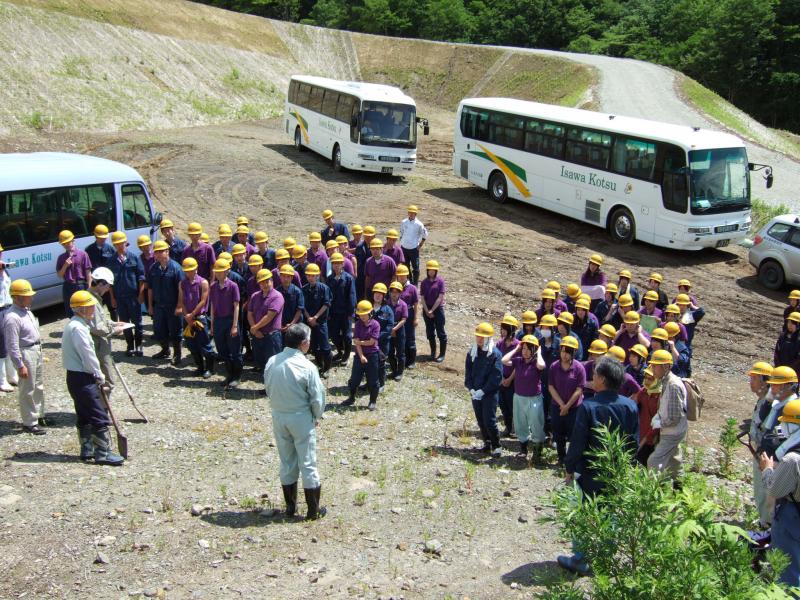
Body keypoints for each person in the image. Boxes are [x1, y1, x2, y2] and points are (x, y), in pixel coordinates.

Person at [559, 356, 639, 575]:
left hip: (590, 472)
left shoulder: (589, 407)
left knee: (582, 513)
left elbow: (578, 442)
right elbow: (632, 442)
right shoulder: (630, 406)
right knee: (610, 513)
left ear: (602, 379)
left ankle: (580, 559)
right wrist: (626, 469)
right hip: (616, 472)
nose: (592, 378)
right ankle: (605, 556)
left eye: (594, 374)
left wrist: (569, 467)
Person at [264, 323, 326, 520]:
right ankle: (313, 510)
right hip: (300, 417)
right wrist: (316, 416)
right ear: (304, 343)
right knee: (307, 462)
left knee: (287, 461)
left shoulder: (272, 361)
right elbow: (317, 397)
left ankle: (290, 507)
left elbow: (268, 387)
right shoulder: (307, 366)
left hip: (279, 415)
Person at [62, 290, 124, 465]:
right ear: (81, 309)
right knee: (98, 415)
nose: (92, 310)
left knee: (83, 414)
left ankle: (87, 448)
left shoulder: (75, 325)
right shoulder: (78, 329)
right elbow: (88, 355)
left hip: (75, 377)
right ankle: (103, 453)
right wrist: (99, 375)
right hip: (83, 377)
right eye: (89, 307)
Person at [759, 398, 800, 589]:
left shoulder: (792, 459)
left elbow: (775, 489)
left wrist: (767, 469)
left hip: (791, 516)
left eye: (785, 422)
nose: (781, 426)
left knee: (788, 568)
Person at [5, 279, 46, 435]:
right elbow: (12, 345)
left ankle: (39, 414)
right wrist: (20, 364)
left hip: (35, 350)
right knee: (27, 388)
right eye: (28, 295)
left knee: (38, 385)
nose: (31, 298)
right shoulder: (12, 317)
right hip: (26, 353)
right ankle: (29, 422)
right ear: (17, 297)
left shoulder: (26, 310)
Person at [502, 334, 546, 461]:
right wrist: (516, 349)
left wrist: (539, 353)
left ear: (534, 350)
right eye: (524, 349)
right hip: (519, 397)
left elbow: (542, 366)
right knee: (520, 423)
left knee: (536, 424)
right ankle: (523, 449)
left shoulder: (536, 363)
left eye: (528, 349)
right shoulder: (518, 361)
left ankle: (537, 453)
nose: (525, 352)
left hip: (534, 398)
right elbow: (504, 360)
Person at [647, 349, 688, 479]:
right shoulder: (666, 381)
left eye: (655, 366)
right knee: (673, 462)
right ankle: (679, 489)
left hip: (672, 432)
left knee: (653, 461)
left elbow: (675, 417)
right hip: (673, 430)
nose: (652, 369)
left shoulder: (673, 385)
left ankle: (652, 493)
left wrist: (660, 423)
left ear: (666, 366)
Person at [464, 322, 504, 456]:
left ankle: (496, 446)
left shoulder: (495, 354)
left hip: (489, 394)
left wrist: (484, 390)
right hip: (476, 394)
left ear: (488, 338)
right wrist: (471, 388)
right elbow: (468, 373)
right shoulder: (472, 352)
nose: (479, 339)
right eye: (478, 336)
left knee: (489, 420)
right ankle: (487, 443)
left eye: (482, 337)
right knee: (480, 419)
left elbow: (496, 377)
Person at [87, 268, 126, 399]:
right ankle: (103, 411)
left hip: (100, 344)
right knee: (106, 380)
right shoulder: (91, 301)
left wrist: (114, 324)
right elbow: (97, 327)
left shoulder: (94, 298)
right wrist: (115, 330)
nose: (108, 289)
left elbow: (101, 319)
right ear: (100, 284)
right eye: (107, 286)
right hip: (98, 345)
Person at [548, 335, 586, 464]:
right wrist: (561, 404)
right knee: (558, 433)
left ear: (573, 353)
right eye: (562, 351)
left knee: (573, 434)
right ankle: (561, 457)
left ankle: (572, 460)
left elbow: (579, 389)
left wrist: (567, 406)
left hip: (574, 408)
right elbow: (551, 386)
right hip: (557, 406)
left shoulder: (579, 368)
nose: (564, 355)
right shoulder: (554, 366)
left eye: (567, 352)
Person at [108, 231, 145, 357]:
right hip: (120, 297)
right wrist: (112, 298)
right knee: (124, 323)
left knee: (137, 322)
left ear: (126, 242)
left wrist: (141, 294)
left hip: (133, 297)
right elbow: (110, 282)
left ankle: (139, 345)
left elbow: (141, 278)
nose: (120, 246)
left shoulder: (134, 258)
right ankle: (130, 345)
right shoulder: (111, 261)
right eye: (117, 244)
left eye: (121, 243)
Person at [177, 257, 215, 379]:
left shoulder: (203, 282)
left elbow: (203, 301)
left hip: (200, 318)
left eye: (190, 270)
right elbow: (181, 300)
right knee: (191, 344)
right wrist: (186, 315)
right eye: (186, 270)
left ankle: (209, 368)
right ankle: (200, 367)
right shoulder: (182, 283)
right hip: (187, 318)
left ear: (196, 269)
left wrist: (191, 315)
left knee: (205, 345)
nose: (188, 272)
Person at [747, 361, 775, 528]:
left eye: (754, 378)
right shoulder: (763, 400)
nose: (750, 382)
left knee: (764, 490)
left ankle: (766, 525)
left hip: (765, 454)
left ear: (765, 381)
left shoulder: (770, 404)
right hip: (759, 450)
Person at [147, 240, 184, 364]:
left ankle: (177, 354)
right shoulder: (153, 268)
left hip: (172, 306)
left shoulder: (176, 268)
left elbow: (181, 289)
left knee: (175, 331)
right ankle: (165, 350)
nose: (157, 254)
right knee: (159, 330)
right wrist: (150, 305)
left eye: (160, 251)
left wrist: (179, 306)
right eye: (156, 252)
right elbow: (150, 288)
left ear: (167, 252)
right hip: (159, 306)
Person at [209, 258, 242, 389]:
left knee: (235, 350)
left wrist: (234, 325)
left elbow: (237, 306)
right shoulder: (213, 286)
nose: (218, 274)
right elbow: (212, 306)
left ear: (227, 271)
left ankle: (237, 376)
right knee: (222, 350)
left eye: (220, 271)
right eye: (216, 272)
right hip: (218, 321)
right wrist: (212, 324)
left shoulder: (233, 286)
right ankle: (229, 374)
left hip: (229, 320)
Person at [343, 300, 380, 410]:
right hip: (360, 355)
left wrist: (360, 343)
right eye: (360, 315)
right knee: (354, 379)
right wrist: (361, 356)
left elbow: (372, 342)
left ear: (370, 313)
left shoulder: (375, 325)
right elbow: (356, 342)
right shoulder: (358, 324)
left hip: (373, 355)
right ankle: (351, 397)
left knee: (373, 380)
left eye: (364, 314)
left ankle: (372, 401)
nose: (362, 317)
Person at [248, 269, 284, 375]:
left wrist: (254, 328)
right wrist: (254, 329)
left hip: (271, 336)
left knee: (273, 363)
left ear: (272, 281)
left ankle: (273, 388)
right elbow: (249, 313)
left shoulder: (277, 296)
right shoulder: (255, 296)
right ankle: (266, 382)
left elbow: (269, 316)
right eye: (262, 282)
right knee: (261, 361)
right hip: (257, 335)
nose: (265, 284)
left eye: (267, 281)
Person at [302, 264, 332, 378]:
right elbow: (302, 305)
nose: (310, 278)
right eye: (308, 275)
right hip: (309, 322)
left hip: (321, 322)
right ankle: (320, 366)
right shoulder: (304, 289)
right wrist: (309, 317)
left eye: (313, 275)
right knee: (314, 346)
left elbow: (326, 304)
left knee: (325, 347)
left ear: (318, 275)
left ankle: (327, 368)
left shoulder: (324, 288)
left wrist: (315, 317)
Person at [327, 252, 356, 365]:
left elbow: (352, 296)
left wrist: (351, 312)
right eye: (334, 263)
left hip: (345, 313)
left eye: (339, 263)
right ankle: (340, 351)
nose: (336, 265)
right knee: (334, 335)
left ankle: (346, 356)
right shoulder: (329, 279)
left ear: (343, 264)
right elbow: (328, 297)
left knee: (347, 336)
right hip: (334, 312)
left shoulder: (348, 278)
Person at [56, 229, 93, 317]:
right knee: (71, 312)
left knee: (84, 310)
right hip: (68, 286)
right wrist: (65, 265)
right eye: (64, 243)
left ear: (73, 241)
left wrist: (90, 287)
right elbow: (59, 275)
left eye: (68, 242)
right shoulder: (61, 258)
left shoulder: (83, 254)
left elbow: (88, 272)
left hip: (80, 286)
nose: (66, 245)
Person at [497, 314, 520, 437]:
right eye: (502, 328)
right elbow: (496, 363)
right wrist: (501, 378)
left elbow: (518, 365)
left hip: (513, 381)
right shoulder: (499, 344)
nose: (502, 331)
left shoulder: (518, 345)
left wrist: (510, 379)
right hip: (501, 379)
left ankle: (515, 428)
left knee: (513, 406)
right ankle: (507, 426)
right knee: (503, 405)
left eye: (505, 328)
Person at [421, 259, 447, 363]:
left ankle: (442, 354)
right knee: (430, 332)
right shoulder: (424, 282)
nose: (431, 272)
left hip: (437, 309)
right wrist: (427, 310)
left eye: (433, 270)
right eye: (429, 270)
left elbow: (440, 297)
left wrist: (432, 310)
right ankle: (433, 353)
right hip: (427, 309)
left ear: (436, 271)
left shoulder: (440, 281)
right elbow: (422, 297)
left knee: (440, 332)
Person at [634, 366, 661, 466]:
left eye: (650, 379)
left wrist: (647, 437)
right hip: (641, 432)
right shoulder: (643, 391)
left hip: (653, 436)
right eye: (646, 377)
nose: (647, 381)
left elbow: (659, 420)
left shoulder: (661, 396)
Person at [371, 283, 395, 391]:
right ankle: (370, 382)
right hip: (369, 343)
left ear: (384, 296)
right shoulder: (368, 308)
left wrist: (377, 337)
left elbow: (389, 327)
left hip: (382, 343)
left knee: (380, 364)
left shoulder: (387, 310)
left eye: (380, 294)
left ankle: (381, 384)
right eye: (376, 293)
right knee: (370, 364)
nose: (378, 296)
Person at [0, 247, 17, 393]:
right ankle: (2, 379)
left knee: (11, 341)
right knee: (1, 346)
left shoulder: (5, 269)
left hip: (8, 307)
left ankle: (12, 375)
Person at [396, 264, 419, 369]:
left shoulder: (412, 288)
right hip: (399, 316)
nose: (401, 277)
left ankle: (412, 361)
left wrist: (416, 318)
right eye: (399, 276)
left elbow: (416, 304)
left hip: (409, 315)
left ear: (407, 276)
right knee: (401, 338)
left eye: (403, 275)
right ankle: (403, 360)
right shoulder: (395, 287)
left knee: (410, 338)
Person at [399, 204, 427, 285]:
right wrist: (402, 241)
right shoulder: (403, 222)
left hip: (414, 249)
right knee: (406, 267)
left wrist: (420, 245)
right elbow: (401, 232)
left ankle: (415, 284)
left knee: (416, 268)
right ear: (408, 213)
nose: (411, 214)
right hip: (404, 248)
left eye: (413, 213)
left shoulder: (419, 224)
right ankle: (409, 281)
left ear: (416, 214)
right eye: (410, 212)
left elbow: (424, 235)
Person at [387, 282, 408, 381]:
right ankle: (394, 370)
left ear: (400, 293)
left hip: (399, 331)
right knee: (390, 352)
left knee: (400, 353)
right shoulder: (386, 304)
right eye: (392, 291)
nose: (394, 294)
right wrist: (390, 329)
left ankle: (400, 372)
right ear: (390, 292)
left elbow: (404, 319)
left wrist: (394, 329)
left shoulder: (403, 305)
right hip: (389, 331)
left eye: (397, 292)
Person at [276, 265, 304, 335]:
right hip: (281, 325)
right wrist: (279, 324)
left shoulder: (297, 291)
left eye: (288, 277)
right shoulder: (276, 292)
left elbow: (299, 310)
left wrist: (291, 324)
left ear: (291, 278)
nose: (285, 279)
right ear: (280, 277)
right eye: (283, 276)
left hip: (296, 325)